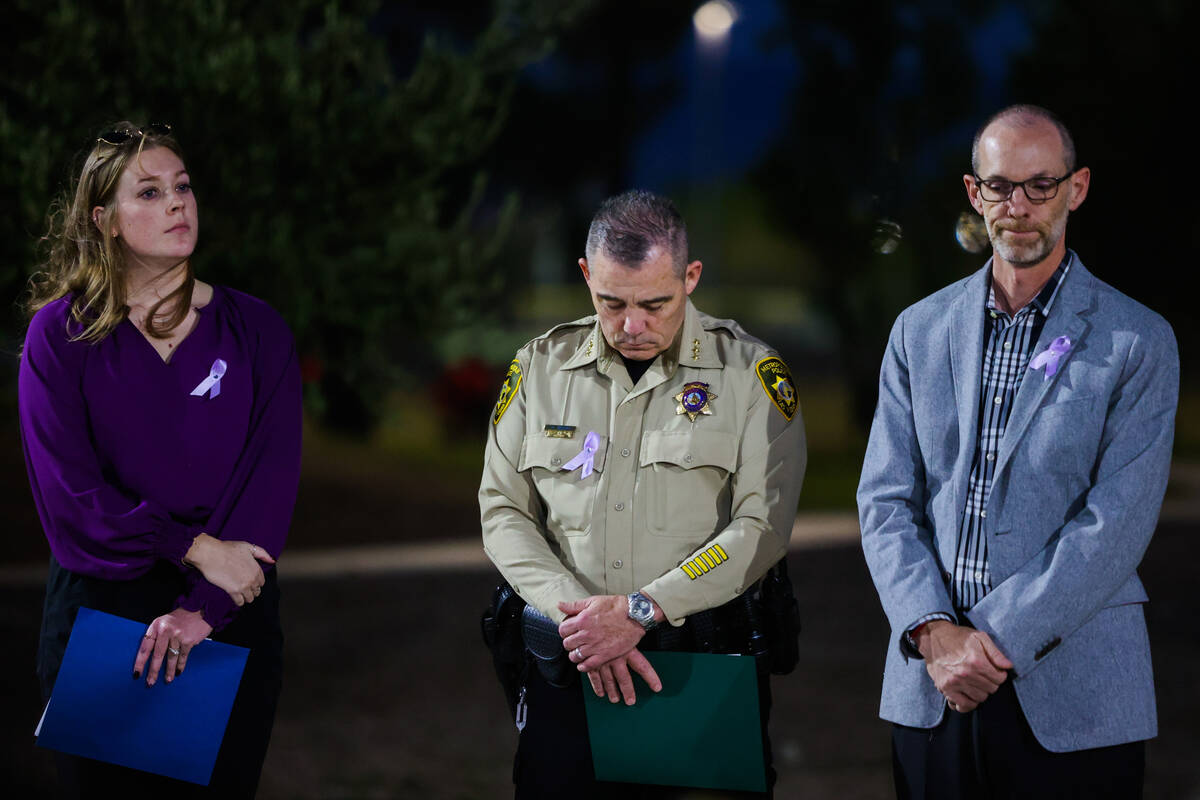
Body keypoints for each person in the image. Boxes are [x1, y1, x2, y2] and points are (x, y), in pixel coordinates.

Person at [857, 104, 1179, 799]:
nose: (1020, 206)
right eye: (1001, 186)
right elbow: (885, 500)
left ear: (1078, 188)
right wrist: (934, 634)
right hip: (932, 685)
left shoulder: (1136, 339)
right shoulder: (919, 331)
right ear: (975, 194)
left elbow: (1117, 520)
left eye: (1042, 185)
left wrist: (993, 640)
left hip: (1076, 692)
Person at [479, 189, 806, 798]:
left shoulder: (749, 375)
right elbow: (502, 509)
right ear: (586, 276)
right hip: (567, 666)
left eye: (656, 303)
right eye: (611, 303)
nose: (632, 326)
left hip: (699, 672)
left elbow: (761, 526)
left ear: (691, 276)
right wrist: (579, 617)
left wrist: (640, 609)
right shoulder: (539, 370)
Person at [18, 122, 301, 797]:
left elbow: (270, 484)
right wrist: (194, 547)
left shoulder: (256, 330)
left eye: (182, 187)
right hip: (103, 618)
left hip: (228, 614)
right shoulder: (60, 336)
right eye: (149, 192)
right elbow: (71, 504)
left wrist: (204, 608)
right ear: (105, 220)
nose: (177, 203)